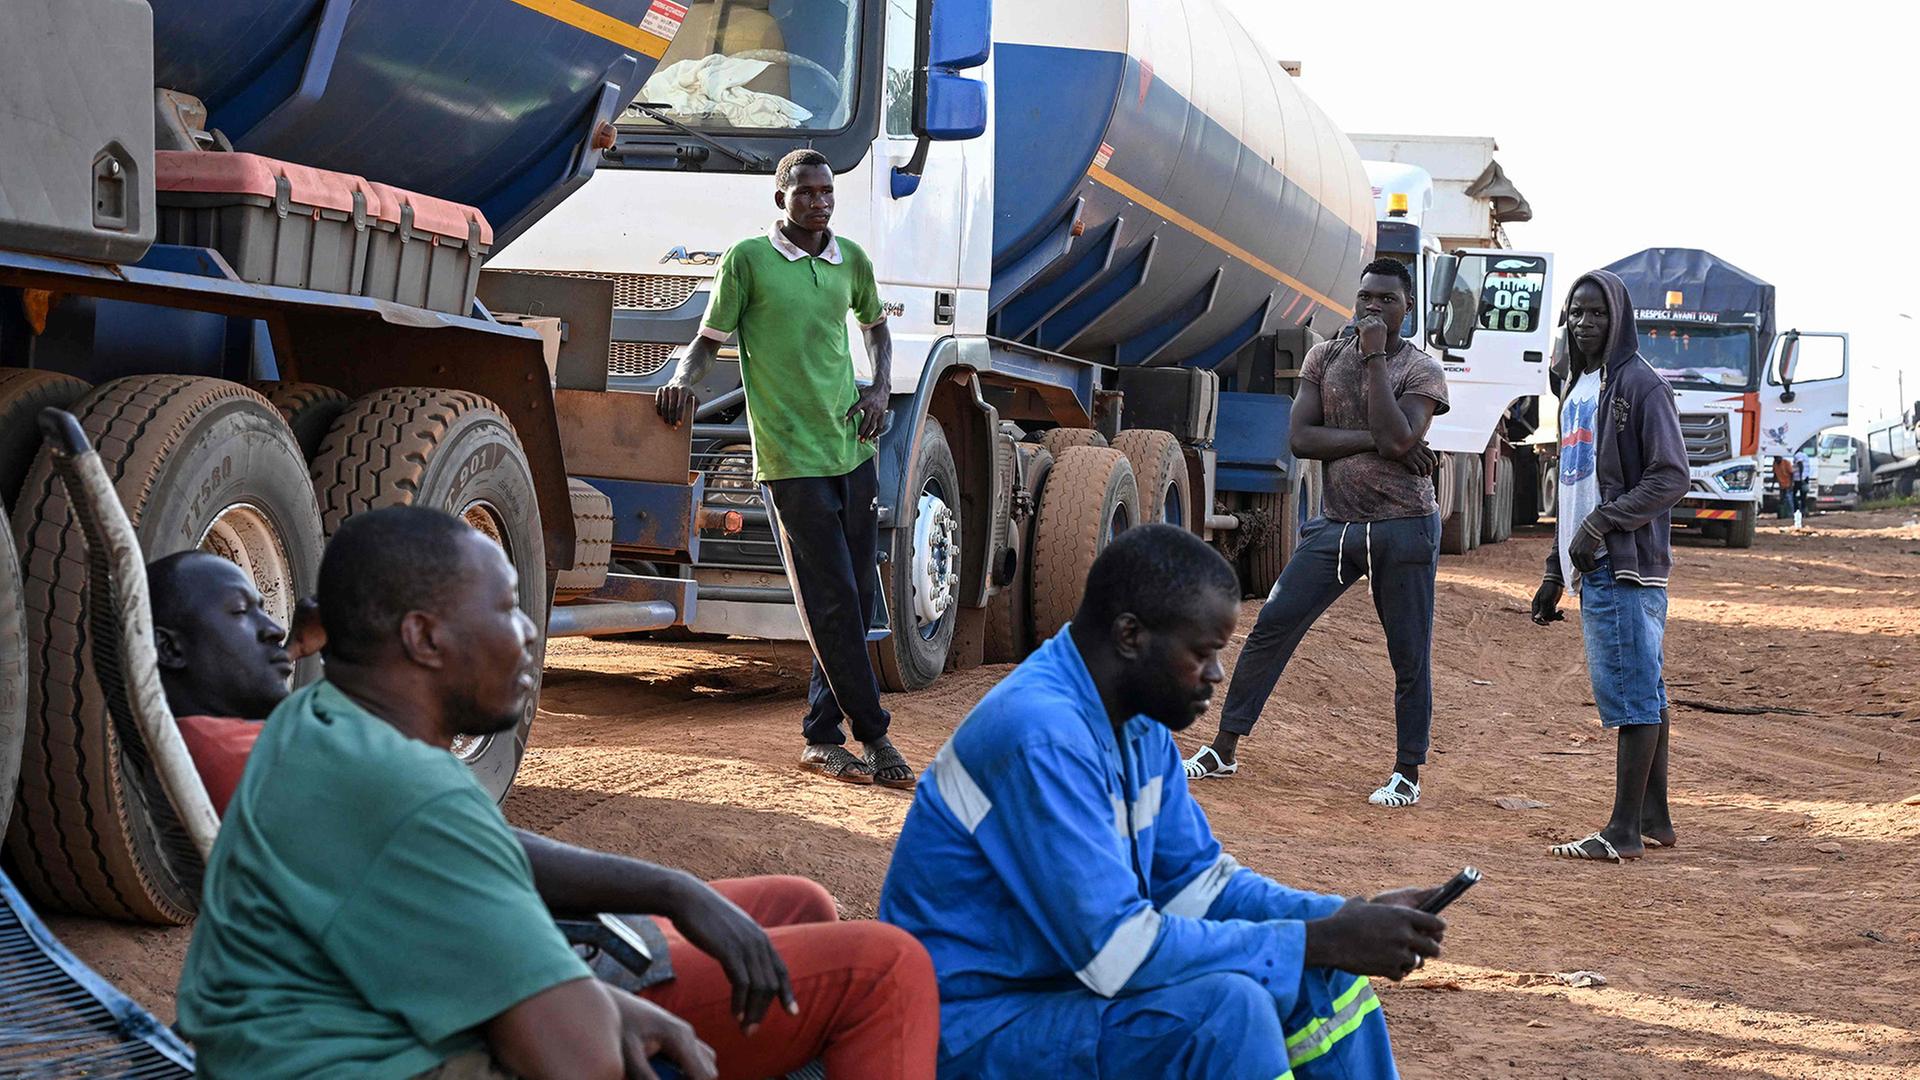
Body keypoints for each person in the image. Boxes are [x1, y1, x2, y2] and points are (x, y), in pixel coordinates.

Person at [173, 509, 938, 1080]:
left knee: (793, 914)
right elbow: (578, 1063)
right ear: (424, 639)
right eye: (505, 607)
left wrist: (612, 978)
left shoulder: (320, 723)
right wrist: (593, 1000)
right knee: (887, 970)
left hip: (315, 1042)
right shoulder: (406, 791)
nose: (530, 633)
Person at [881, 524, 1446, 1079]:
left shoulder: (1135, 718)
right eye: (1203, 653)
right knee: (1228, 1012)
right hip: (968, 1027)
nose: (1216, 675)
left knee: (1323, 977)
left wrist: (1341, 919)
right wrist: (1317, 939)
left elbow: (1199, 885)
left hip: (1056, 994)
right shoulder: (1042, 735)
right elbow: (1115, 954)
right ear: (1131, 636)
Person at [656, 147, 913, 790]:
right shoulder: (748, 260)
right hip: (789, 459)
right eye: (805, 193)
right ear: (781, 199)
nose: (819, 201)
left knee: (851, 599)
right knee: (828, 600)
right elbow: (706, 343)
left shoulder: (850, 258)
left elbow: (876, 328)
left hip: (851, 448)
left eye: (827, 192)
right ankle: (876, 736)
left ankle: (822, 736)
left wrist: (881, 388)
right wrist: (680, 385)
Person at [1184, 258, 1449, 808]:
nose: (1372, 308)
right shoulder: (1322, 356)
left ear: (1408, 309)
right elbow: (1303, 439)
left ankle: (1407, 773)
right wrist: (1378, 440)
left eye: (1387, 301)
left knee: (1409, 655)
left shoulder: (1421, 371)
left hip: (1403, 529)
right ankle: (1224, 749)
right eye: (1366, 298)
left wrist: (1376, 358)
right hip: (1336, 524)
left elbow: (1400, 438)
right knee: (1271, 627)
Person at [1531, 271, 1688, 864]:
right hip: (1592, 564)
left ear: (1619, 317)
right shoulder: (1577, 386)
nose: (1586, 322)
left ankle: (1621, 831)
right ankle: (1654, 818)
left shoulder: (1639, 386)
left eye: (1597, 313)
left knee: (1631, 694)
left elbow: (1671, 476)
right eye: (1576, 313)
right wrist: (1554, 571)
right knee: (1645, 687)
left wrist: (1602, 526)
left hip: (1624, 566)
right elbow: (1573, 490)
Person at [1772, 454, 1795, 519]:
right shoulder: (1775, 463)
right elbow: (1775, 475)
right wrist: (1772, 485)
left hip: (1788, 485)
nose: (1776, 460)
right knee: (1782, 500)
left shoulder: (1786, 463)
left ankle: (1791, 514)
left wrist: (1791, 484)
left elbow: (1791, 474)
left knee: (1789, 500)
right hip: (1781, 485)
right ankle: (1783, 514)